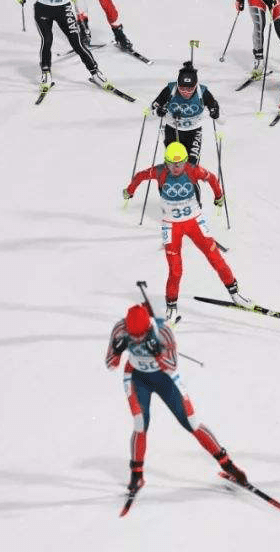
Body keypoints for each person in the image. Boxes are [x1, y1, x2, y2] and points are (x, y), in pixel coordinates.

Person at [106, 302, 247, 493]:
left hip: (165, 378)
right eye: (134, 336)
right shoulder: (120, 329)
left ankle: (229, 466)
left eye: (141, 335)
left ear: (148, 326)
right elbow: (110, 365)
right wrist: (116, 351)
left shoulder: (162, 330)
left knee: (192, 422)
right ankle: (137, 475)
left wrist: (157, 353)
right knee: (140, 424)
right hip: (137, 378)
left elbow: (172, 365)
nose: (137, 340)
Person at [122, 142, 249, 319]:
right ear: (165, 162)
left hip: (195, 222)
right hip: (171, 226)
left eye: (180, 163)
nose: (176, 168)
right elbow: (140, 176)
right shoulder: (159, 171)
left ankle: (235, 294)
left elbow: (212, 178)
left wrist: (219, 196)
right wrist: (129, 191)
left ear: (185, 161)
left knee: (215, 258)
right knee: (175, 270)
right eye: (172, 164)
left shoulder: (192, 170)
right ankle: (171, 307)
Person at [16, 0, 107, 94]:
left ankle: (95, 73)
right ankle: (46, 73)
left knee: (77, 43)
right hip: (42, 10)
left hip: (63, 9)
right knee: (47, 40)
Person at [150, 62, 219, 166]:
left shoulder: (203, 92)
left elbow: (222, 119)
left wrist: (215, 113)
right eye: (182, 88)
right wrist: (158, 111)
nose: (186, 93)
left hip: (194, 131)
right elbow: (150, 112)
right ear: (177, 85)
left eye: (190, 89)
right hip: (172, 130)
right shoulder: (169, 90)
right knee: (173, 164)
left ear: (196, 86)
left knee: (191, 165)